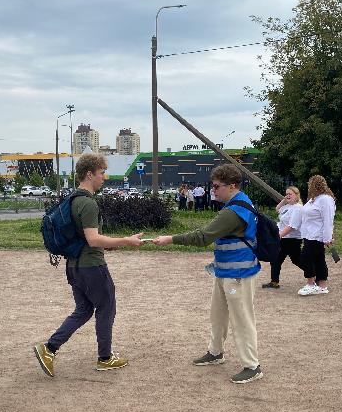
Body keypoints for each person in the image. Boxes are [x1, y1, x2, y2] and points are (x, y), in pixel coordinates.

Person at [34, 153, 144, 377]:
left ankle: (49, 348)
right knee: (106, 307)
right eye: (102, 173)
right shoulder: (88, 203)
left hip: (74, 266)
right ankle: (105, 358)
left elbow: (86, 238)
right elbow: (93, 239)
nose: (105, 177)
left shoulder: (72, 200)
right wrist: (126, 241)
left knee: (84, 310)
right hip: (92, 267)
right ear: (89, 174)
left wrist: (113, 244)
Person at [153, 164, 263, 384]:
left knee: (242, 320)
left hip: (238, 274)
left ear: (231, 186)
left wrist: (171, 239)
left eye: (216, 186)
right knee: (218, 316)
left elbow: (203, 236)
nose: (213, 191)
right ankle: (215, 352)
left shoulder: (234, 211)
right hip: (226, 272)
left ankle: (252, 366)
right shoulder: (237, 204)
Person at [298, 175, 336, 296]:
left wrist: (327, 238)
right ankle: (322, 286)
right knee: (319, 259)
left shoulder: (325, 199)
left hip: (317, 236)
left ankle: (311, 284)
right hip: (309, 234)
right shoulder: (313, 199)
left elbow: (328, 220)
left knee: (306, 257)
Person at [262, 186, 304, 289]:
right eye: (286, 194)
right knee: (276, 259)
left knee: (296, 260)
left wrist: (279, 236)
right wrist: (284, 200)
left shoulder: (298, 208)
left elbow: (291, 226)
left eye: (290, 194)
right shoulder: (287, 206)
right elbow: (277, 209)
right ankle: (274, 282)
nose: (288, 195)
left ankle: (314, 273)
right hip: (283, 238)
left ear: (297, 195)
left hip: (292, 239)